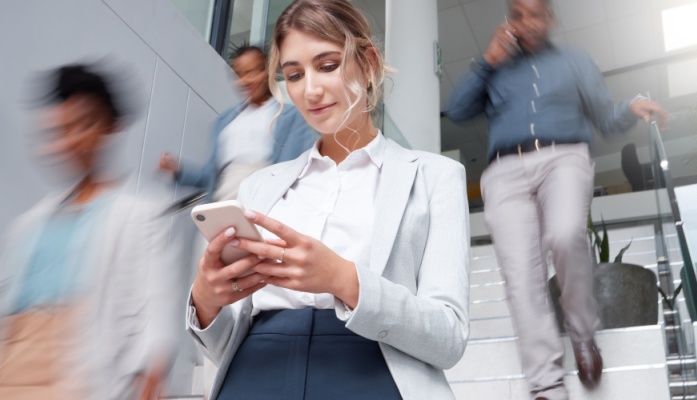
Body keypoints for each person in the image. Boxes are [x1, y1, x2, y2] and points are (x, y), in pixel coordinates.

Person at [186, 1, 470, 399]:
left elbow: (449, 337)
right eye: (295, 75)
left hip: (372, 372)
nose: (311, 90)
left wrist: (342, 279)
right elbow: (224, 342)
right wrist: (206, 300)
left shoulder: (435, 177)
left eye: (328, 65)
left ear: (368, 63)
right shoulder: (260, 186)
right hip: (256, 371)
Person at [445, 0, 668, 399]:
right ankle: (546, 385)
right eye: (517, 14)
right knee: (521, 278)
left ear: (550, 18)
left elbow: (604, 115)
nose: (526, 22)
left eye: (535, 13)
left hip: (563, 157)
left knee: (566, 236)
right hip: (504, 172)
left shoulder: (575, 61)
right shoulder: (496, 69)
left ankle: (582, 334)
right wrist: (486, 61)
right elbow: (458, 110)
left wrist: (631, 106)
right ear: (509, 20)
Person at [0, 64, 179, 399]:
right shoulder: (29, 223)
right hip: (14, 366)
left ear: (111, 126)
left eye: (84, 124)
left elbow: (158, 303)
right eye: (61, 129)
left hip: (82, 372)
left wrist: (152, 371)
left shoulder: (144, 214)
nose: (71, 139)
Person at [159, 44, 316, 202]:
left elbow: (292, 171)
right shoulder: (224, 122)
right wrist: (179, 171)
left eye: (251, 73)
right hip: (221, 206)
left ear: (267, 72)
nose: (244, 81)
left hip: (260, 206)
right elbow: (210, 177)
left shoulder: (289, 117)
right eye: (238, 75)